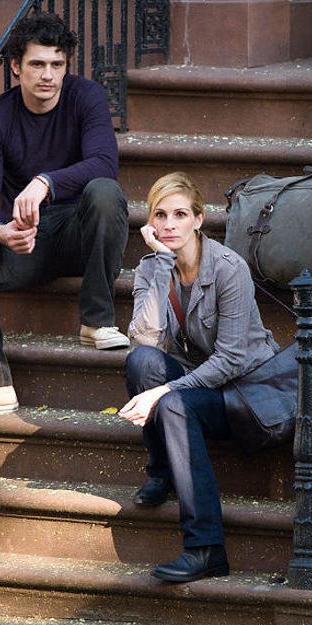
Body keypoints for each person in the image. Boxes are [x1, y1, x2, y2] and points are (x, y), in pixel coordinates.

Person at [0, 12, 129, 423]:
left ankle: (96, 322)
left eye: (57, 64)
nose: (48, 75)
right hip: (27, 243)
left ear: (66, 66)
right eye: (37, 64)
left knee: (105, 191)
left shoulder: (86, 97)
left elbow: (104, 163)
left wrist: (46, 181)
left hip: (81, 233)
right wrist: (0, 230)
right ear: (16, 66)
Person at [119, 172, 278, 583]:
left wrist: (165, 390)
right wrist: (161, 265)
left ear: (199, 219)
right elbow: (145, 340)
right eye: (160, 215)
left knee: (171, 401)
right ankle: (163, 471)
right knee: (141, 363)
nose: (170, 224)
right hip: (196, 387)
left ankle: (206, 549)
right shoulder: (150, 268)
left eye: (180, 214)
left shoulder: (228, 268)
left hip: (244, 394)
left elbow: (231, 360)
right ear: (150, 224)